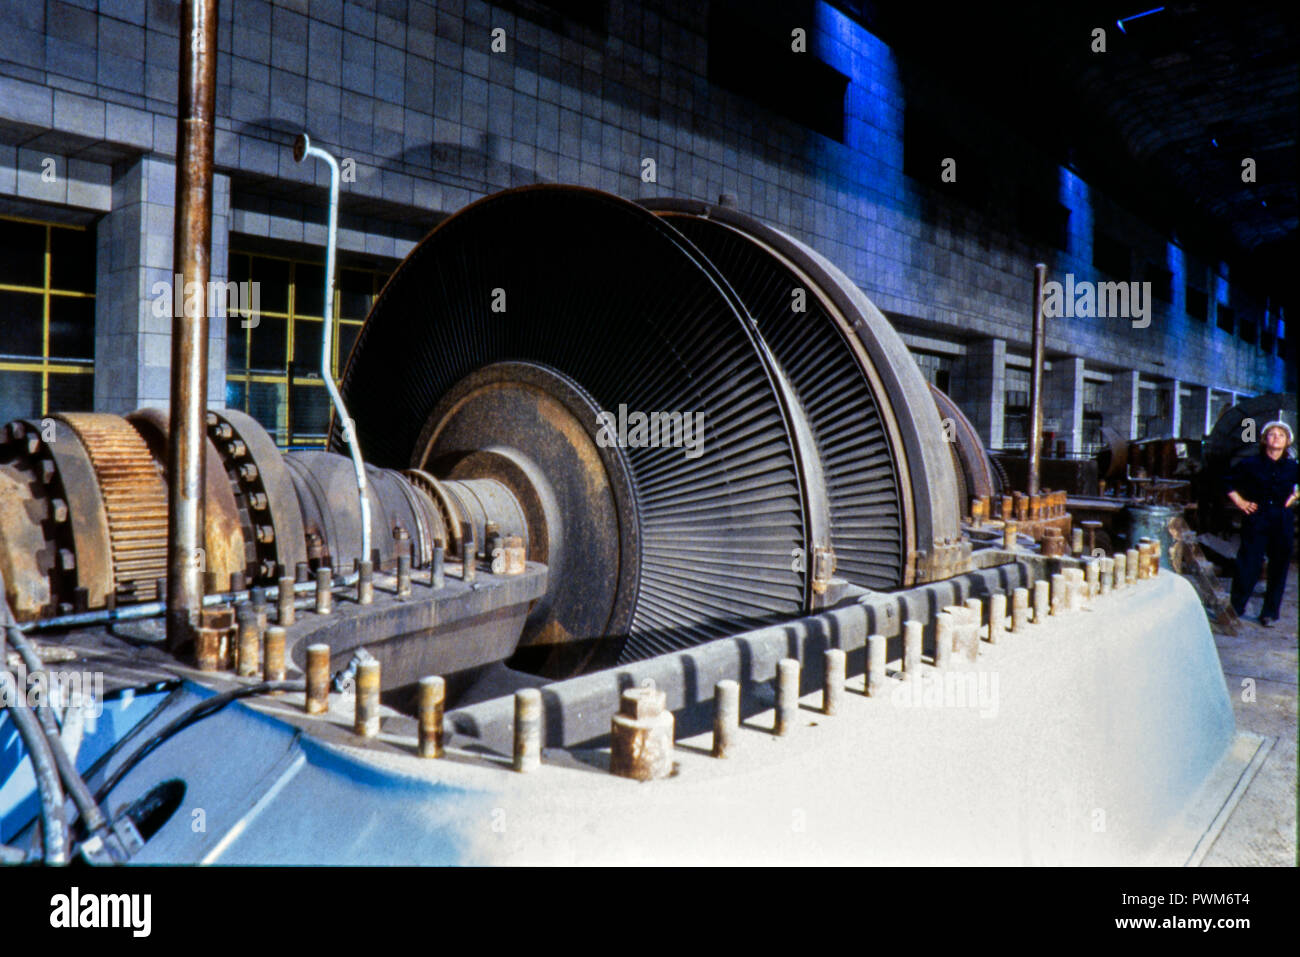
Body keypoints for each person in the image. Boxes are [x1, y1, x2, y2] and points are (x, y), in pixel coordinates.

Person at [1225, 421, 1300, 626]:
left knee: (1279, 566)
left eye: (1281, 435)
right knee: (1248, 563)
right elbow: (1227, 481)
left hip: (1282, 518)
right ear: (1264, 439)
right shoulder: (1250, 464)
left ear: (1287, 442)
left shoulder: (1292, 467)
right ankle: (1236, 608)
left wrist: (1295, 496)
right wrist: (1240, 501)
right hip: (1256, 517)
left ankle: (1269, 613)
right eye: (1272, 434)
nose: (1276, 438)